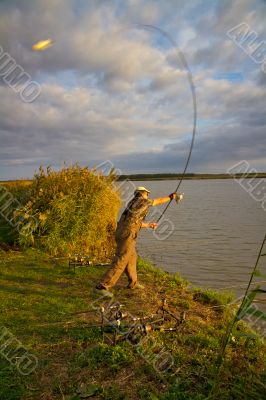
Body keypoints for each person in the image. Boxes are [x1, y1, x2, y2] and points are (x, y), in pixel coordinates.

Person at [96, 186, 182, 297]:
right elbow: (158, 201)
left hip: (121, 231)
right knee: (121, 259)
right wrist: (170, 197)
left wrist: (149, 225)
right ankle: (102, 286)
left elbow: (134, 221)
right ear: (143, 193)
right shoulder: (142, 201)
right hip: (128, 234)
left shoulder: (132, 203)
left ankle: (133, 283)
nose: (148, 196)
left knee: (131, 258)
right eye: (147, 194)